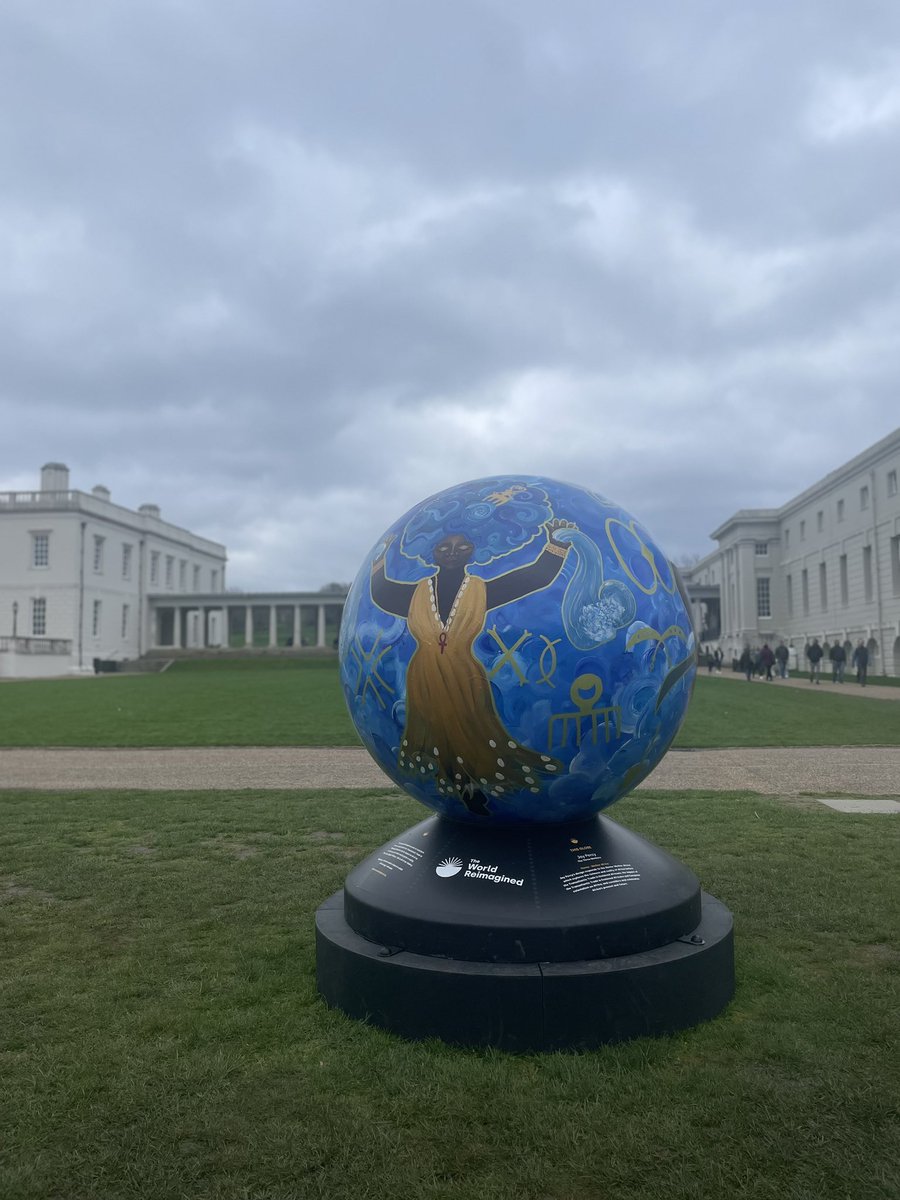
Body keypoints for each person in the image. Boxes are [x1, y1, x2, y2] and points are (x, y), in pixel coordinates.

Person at [371, 519, 573, 815]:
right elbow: (382, 593)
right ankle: (461, 785)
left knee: (472, 730)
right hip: (424, 676)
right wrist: (380, 559)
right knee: (440, 732)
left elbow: (532, 578)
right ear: (432, 553)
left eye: (461, 546)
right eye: (444, 547)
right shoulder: (416, 594)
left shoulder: (481, 590)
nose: (452, 552)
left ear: (473, 551)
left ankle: (480, 780)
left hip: (464, 674)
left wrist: (556, 544)